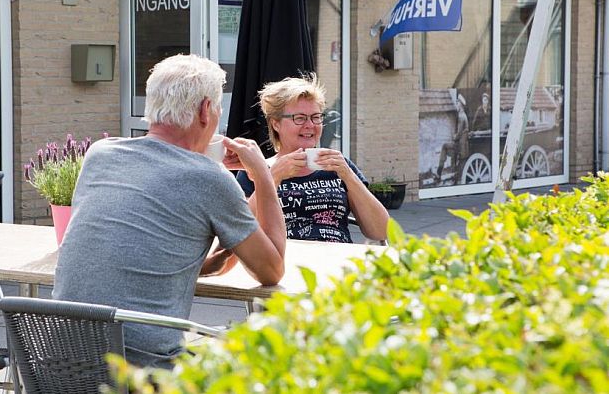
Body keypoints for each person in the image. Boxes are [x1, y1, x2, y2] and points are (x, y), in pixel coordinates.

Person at [53, 54, 286, 369]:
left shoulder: (100, 155)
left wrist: (207, 263)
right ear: (206, 111)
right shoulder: (209, 176)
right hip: (144, 374)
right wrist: (264, 175)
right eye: (218, 108)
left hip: (60, 366)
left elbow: (135, 252)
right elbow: (271, 271)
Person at [236, 74, 388, 244]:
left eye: (316, 117)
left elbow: (380, 231)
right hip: (284, 263)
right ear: (275, 124)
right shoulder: (256, 170)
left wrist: (348, 176)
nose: (310, 125)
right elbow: (240, 230)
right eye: (299, 118)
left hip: (338, 262)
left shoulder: (337, 166)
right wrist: (273, 177)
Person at [436, 92, 470, 182]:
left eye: (457, 103)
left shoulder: (461, 117)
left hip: (460, 147)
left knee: (444, 146)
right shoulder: (463, 115)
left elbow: (458, 134)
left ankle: (439, 171)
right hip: (461, 145)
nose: (456, 105)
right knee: (449, 146)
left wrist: (453, 137)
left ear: (461, 105)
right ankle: (451, 172)